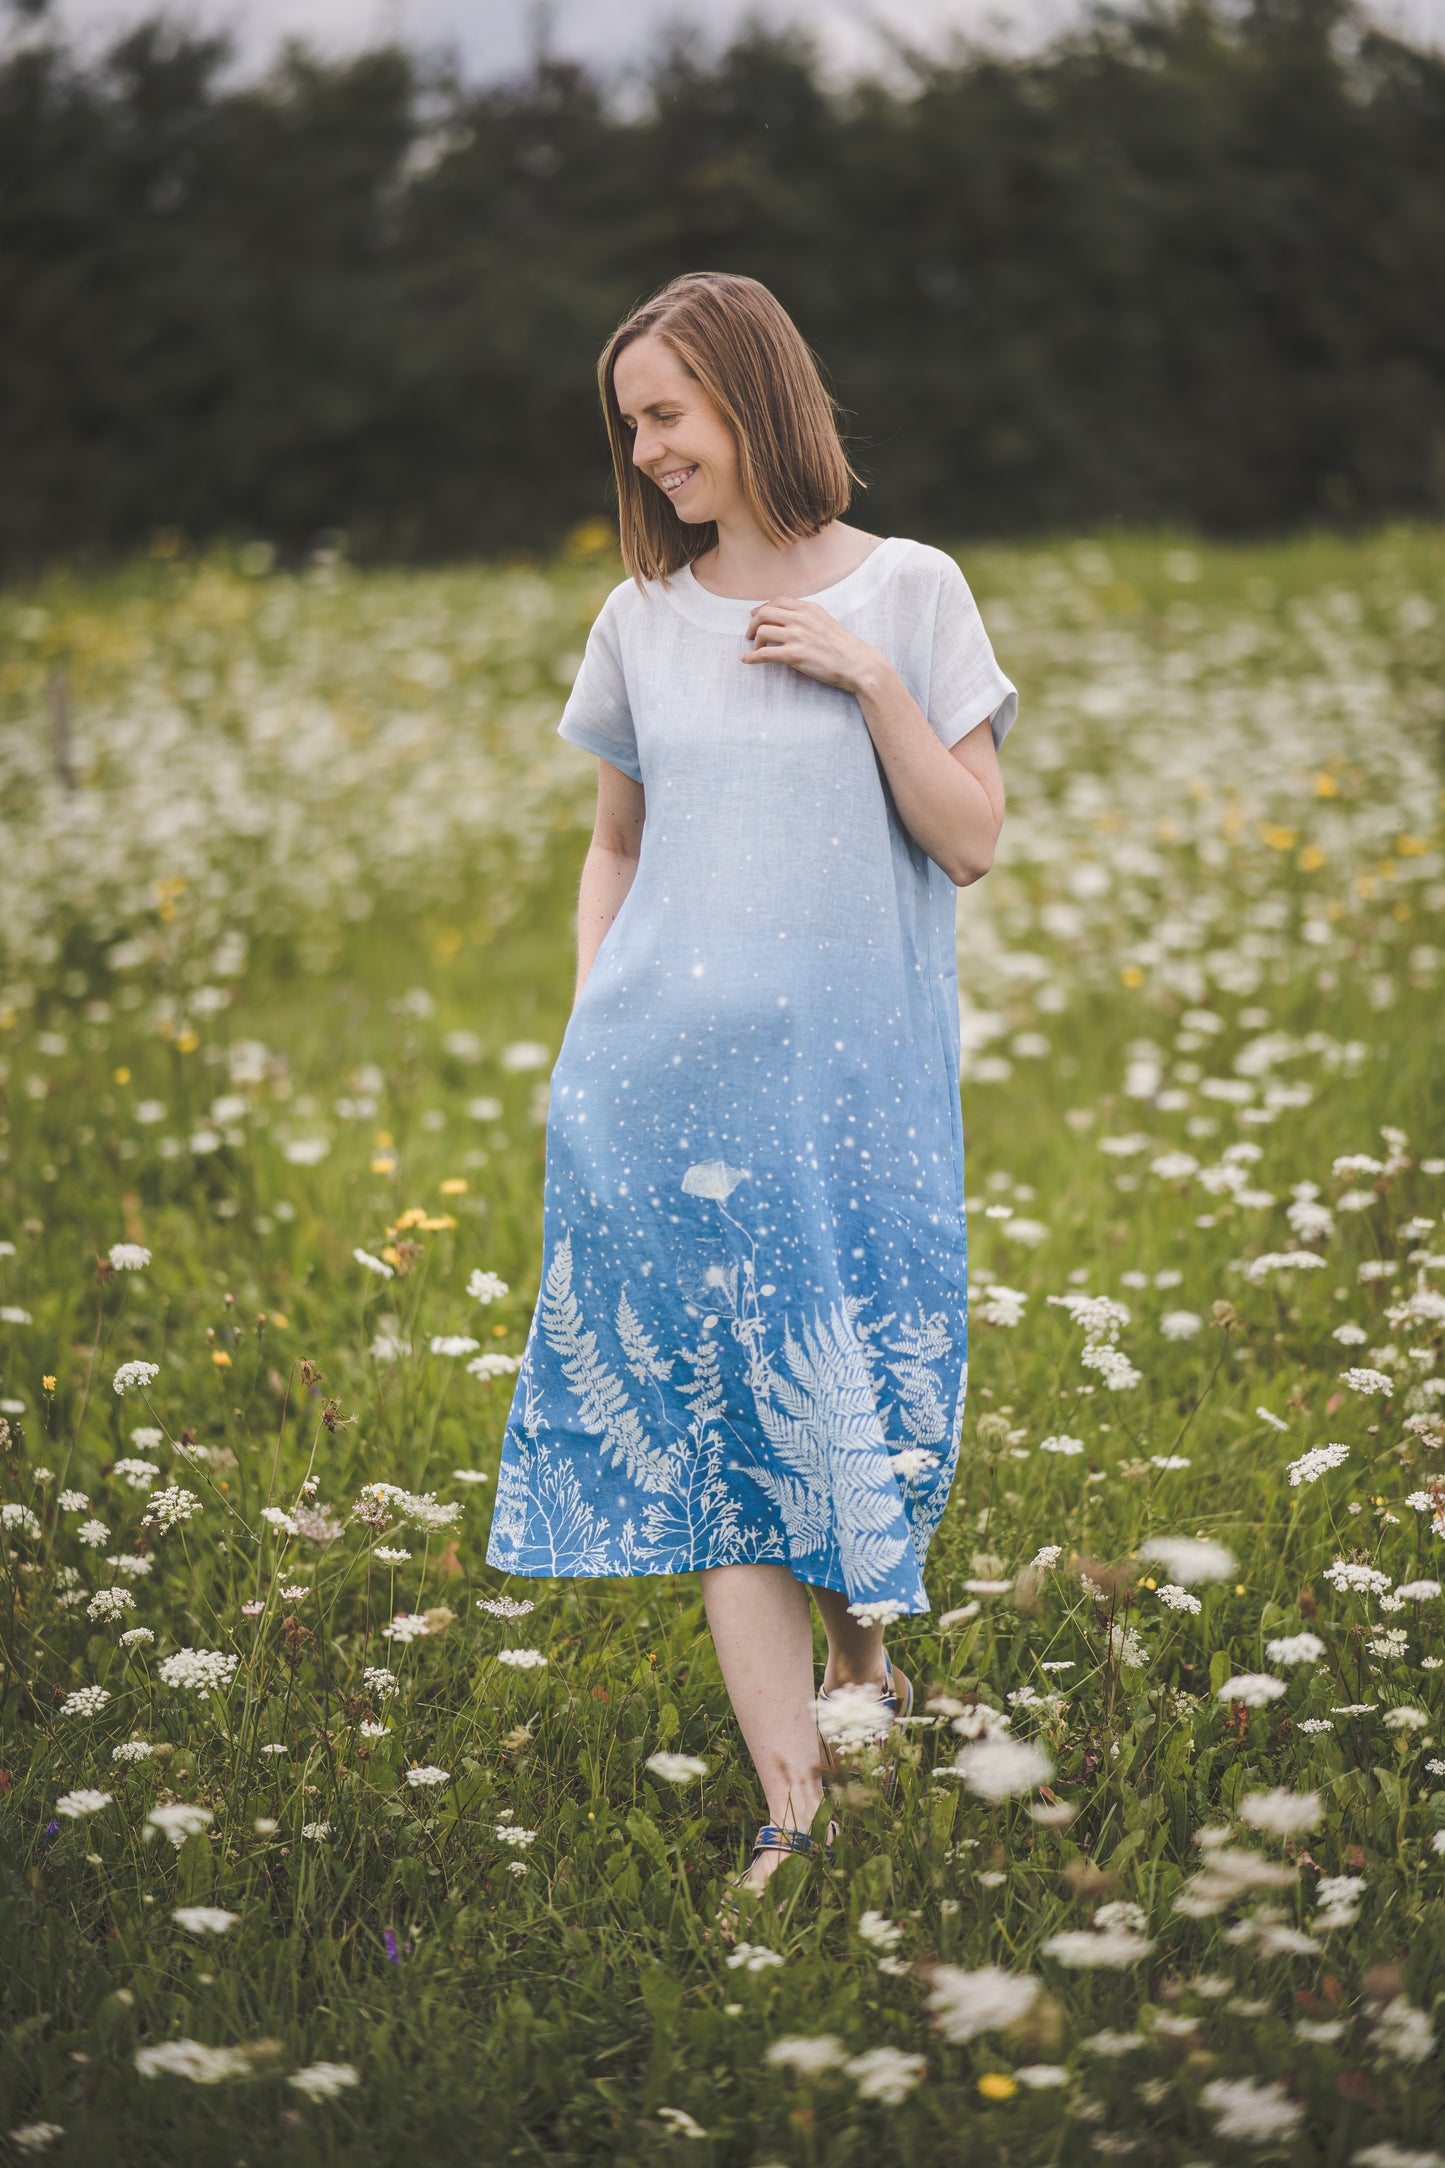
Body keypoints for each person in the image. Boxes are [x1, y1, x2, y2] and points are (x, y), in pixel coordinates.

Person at [484, 270, 1017, 1924]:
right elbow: (616, 846)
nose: (643, 451)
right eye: (628, 425)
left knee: (846, 1403)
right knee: (729, 1442)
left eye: (665, 415)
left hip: (855, 1108)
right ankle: (796, 1809)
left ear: (752, 402)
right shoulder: (642, 622)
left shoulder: (912, 592)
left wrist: (867, 680)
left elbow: (972, 837)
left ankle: (870, 1668)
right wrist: (590, 1034)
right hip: (660, 1100)